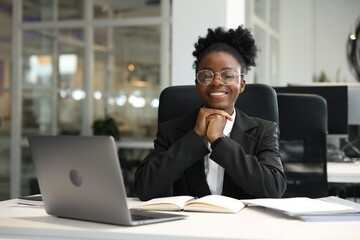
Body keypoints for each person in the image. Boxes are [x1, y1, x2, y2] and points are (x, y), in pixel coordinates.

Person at [134, 25, 286, 201]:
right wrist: (195, 137)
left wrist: (219, 140)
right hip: (186, 225)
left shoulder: (263, 131)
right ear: (197, 83)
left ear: (242, 85)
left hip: (243, 226)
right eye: (206, 76)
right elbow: (143, 188)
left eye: (227, 75)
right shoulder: (171, 131)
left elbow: (274, 189)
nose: (216, 82)